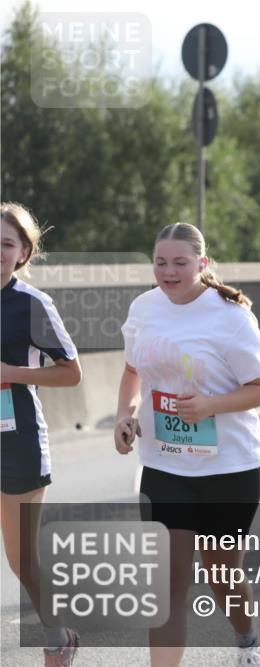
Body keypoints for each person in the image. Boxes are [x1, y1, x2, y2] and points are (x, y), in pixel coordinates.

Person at [115, 222, 260, 667]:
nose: (168, 272)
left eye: (180, 263)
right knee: (167, 584)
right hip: (163, 464)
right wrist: (125, 414)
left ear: (201, 264)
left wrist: (209, 406)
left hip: (229, 467)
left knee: (223, 574)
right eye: (160, 262)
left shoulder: (230, 315)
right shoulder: (144, 308)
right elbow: (132, 371)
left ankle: (247, 642)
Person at [1, 203, 83, 666]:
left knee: (22, 562)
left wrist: (10, 372)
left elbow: (71, 373)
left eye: (6, 244)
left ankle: (57, 638)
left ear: (23, 252)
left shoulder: (32, 304)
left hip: (17, 445)